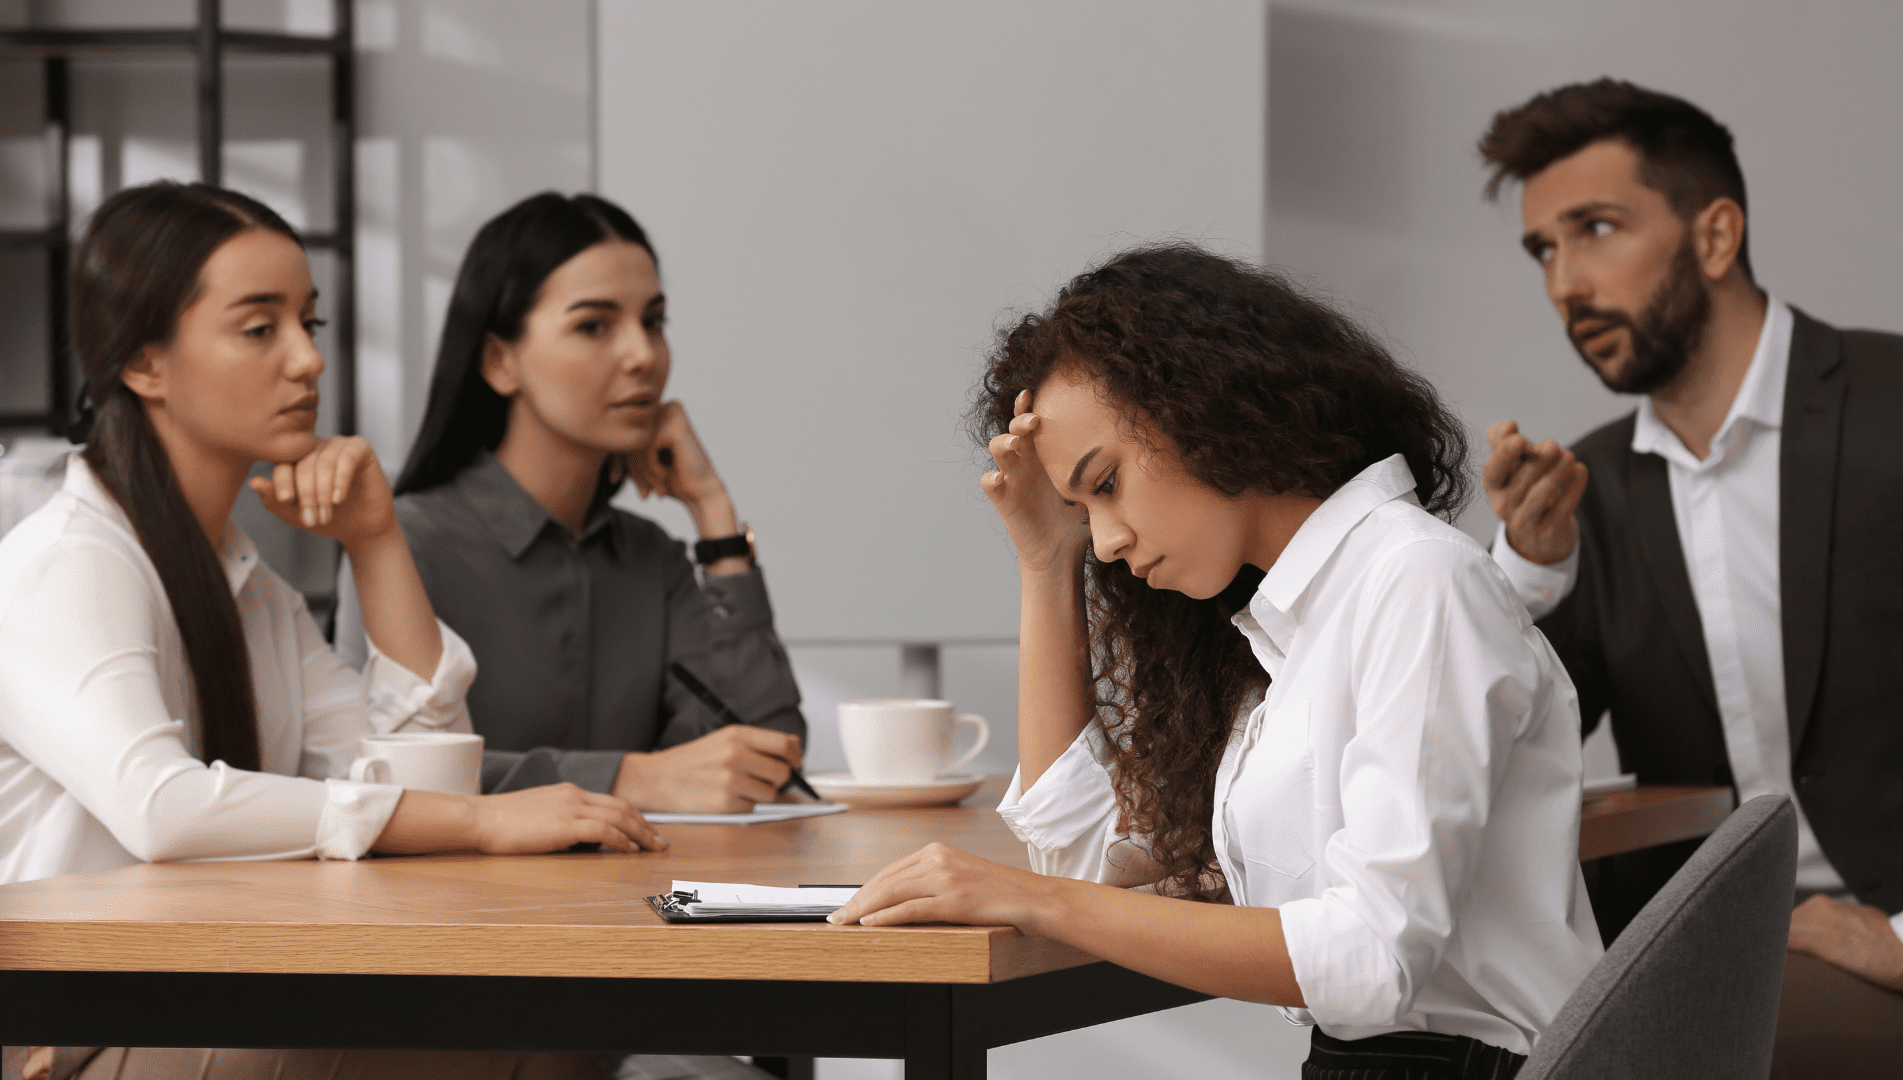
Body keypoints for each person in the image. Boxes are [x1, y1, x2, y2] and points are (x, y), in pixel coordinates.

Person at [829, 245, 1602, 1079]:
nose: (1110, 541)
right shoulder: (1285, 632)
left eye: (1108, 484)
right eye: (1081, 510)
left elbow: (1372, 962)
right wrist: (1048, 563)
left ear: (1205, 408)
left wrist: (1030, 899)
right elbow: (1084, 860)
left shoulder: (1415, 580)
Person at [0, 181, 663, 1080]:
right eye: (260, 328)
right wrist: (480, 825)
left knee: (532, 1031)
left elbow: (417, 767)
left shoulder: (245, 583)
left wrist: (376, 544)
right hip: (68, 1039)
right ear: (145, 364)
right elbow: (163, 807)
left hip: (188, 993)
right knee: (491, 1038)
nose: (308, 362)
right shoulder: (72, 562)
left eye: (311, 324)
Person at [1474, 78, 1903, 1076]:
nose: (1565, 285)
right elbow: (1490, 762)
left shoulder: (1894, 407)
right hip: (1696, 954)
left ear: (1715, 236)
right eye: (1545, 248)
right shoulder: (1590, 489)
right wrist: (1528, 573)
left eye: (1597, 228)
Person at [334, 193, 806, 817]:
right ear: (500, 360)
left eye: (654, 322)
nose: (642, 355)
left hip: (640, 906)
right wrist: (624, 779)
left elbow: (769, 756)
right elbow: (376, 774)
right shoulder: (406, 544)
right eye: (594, 325)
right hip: (451, 910)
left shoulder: (652, 558)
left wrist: (712, 512)